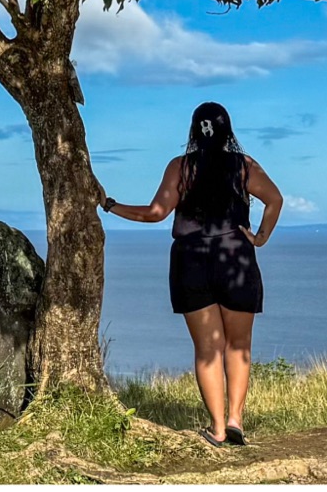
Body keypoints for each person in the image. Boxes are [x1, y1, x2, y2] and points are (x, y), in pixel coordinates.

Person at [98, 102, 285, 446]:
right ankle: (235, 421)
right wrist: (259, 237)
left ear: (193, 132)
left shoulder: (180, 167)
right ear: (228, 130)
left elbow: (155, 213)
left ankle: (216, 429)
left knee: (207, 349)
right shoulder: (244, 166)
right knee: (239, 345)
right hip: (236, 259)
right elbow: (275, 200)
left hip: (191, 261)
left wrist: (111, 206)